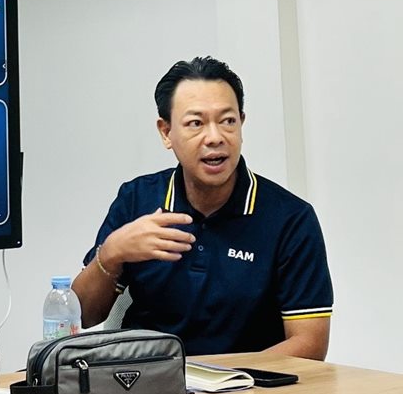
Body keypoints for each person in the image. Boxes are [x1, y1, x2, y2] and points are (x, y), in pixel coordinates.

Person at [71, 56, 333, 359]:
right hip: (149, 380)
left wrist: (217, 377)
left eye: (227, 121)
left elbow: (310, 344)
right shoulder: (137, 200)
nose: (215, 137)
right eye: (196, 123)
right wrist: (112, 253)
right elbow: (82, 316)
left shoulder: (290, 219)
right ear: (166, 132)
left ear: (242, 124)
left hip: (250, 383)